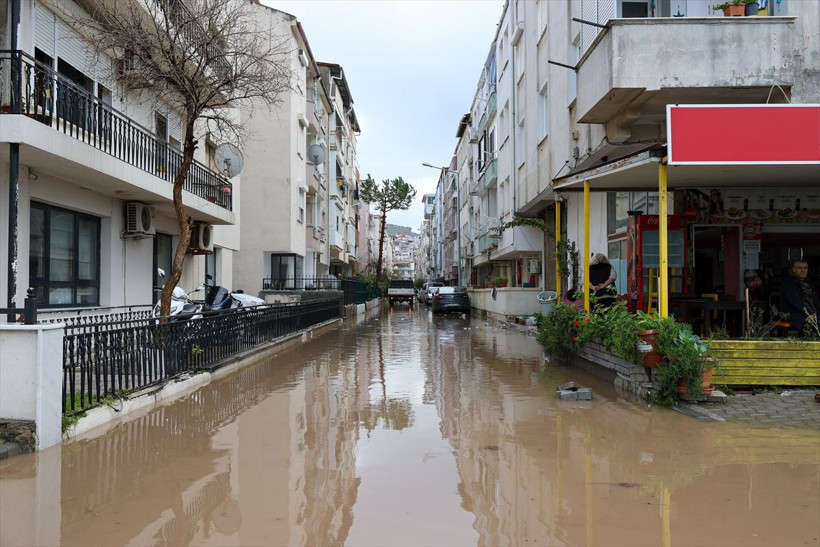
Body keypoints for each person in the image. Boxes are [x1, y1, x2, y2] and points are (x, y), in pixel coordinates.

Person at [780, 259, 819, 336]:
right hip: (795, 315)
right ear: (794, 270)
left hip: (811, 315)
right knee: (816, 327)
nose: (803, 270)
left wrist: (814, 314)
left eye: (805, 268)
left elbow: (816, 301)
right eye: (800, 268)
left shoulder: (809, 283)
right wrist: (809, 314)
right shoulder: (789, 283)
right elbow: (796, 302)